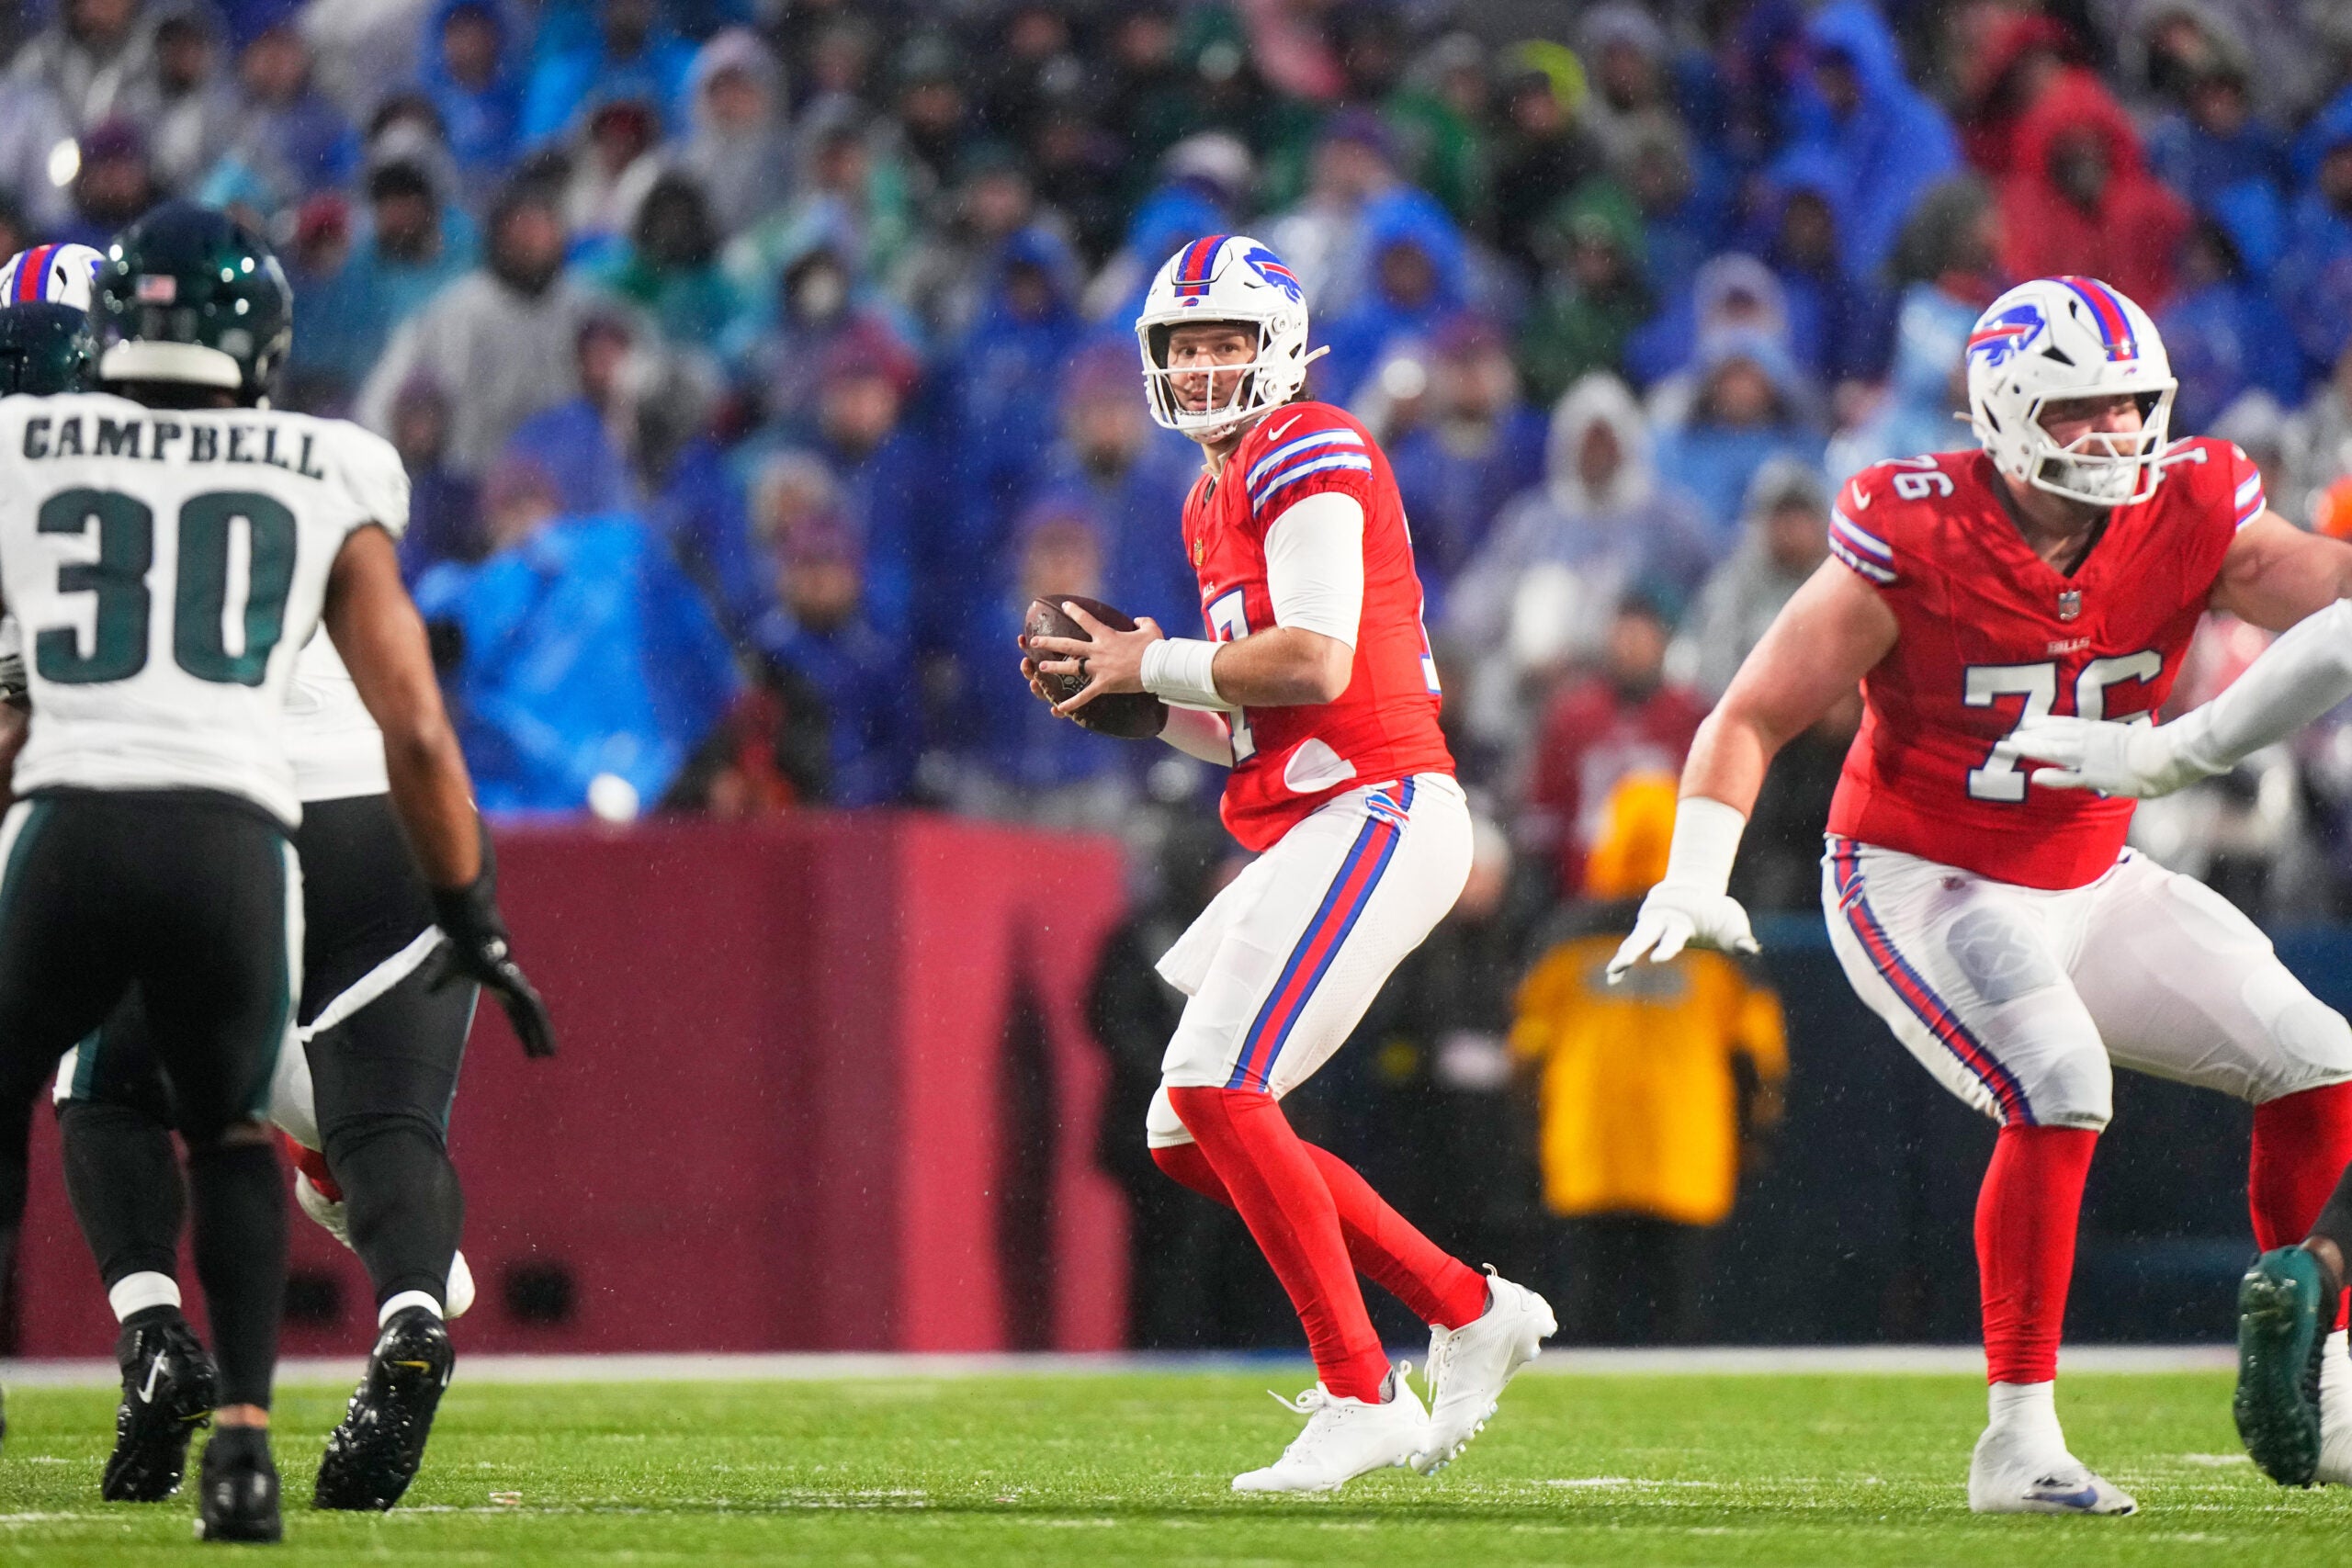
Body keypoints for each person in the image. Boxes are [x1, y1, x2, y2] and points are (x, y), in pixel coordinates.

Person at [1610, 274, 2352, 1515]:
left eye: (2131, 408)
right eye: (2082, 413)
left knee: (2321, 1059)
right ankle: (2017, 1436)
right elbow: (1752, 711)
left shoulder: (2193, 504)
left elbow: (2318, 584)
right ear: (2004, 417)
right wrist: (1694, 872)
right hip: (1921, 873)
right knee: (2059, 1076)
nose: (2116, 436)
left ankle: (2318, 1370)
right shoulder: (1916, 530)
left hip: (2093, 870)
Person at [0, 203, 553, 1541]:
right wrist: (467, 897)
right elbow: (413, 713)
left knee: (109, 1088)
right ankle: (396, 1324)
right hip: (370, 812)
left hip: (180, 802)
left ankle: (153, 1331)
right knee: (382, 1131)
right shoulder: (314, 461)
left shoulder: (29, 470)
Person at [1021, 234, 1554, 1494]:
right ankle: (1464, 1304)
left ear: (1282, 349)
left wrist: (1145, 662)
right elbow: (1262, 717)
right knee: (1183, 1123)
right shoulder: (1215, 491)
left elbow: (1312, 660)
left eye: (1225, 342)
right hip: (1323, 809)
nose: (1205, 367)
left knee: (1215, 1079)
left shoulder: (1309, 443)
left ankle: (1365, 1387)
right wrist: (1148, 703)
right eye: (1184, 346)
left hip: (1381, 803)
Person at [2010, 581, 2352, 1489]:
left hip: (2114, 854)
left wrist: (2168, 751)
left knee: (2319, 1054)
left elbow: (2334, 633)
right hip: (1982, 877)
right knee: (2064, 1076)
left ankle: (2325, 1291)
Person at [1511, 774, 1786, 1342]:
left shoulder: (1563, 936)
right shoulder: (1719, 944)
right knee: (1678, 1316)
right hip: (1683, 1149)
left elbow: (1525, 1053)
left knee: (1587, 1313)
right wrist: (1756, 1133)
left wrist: (1525, 1132)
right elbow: (1759, 1058)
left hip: (1590, 1145)